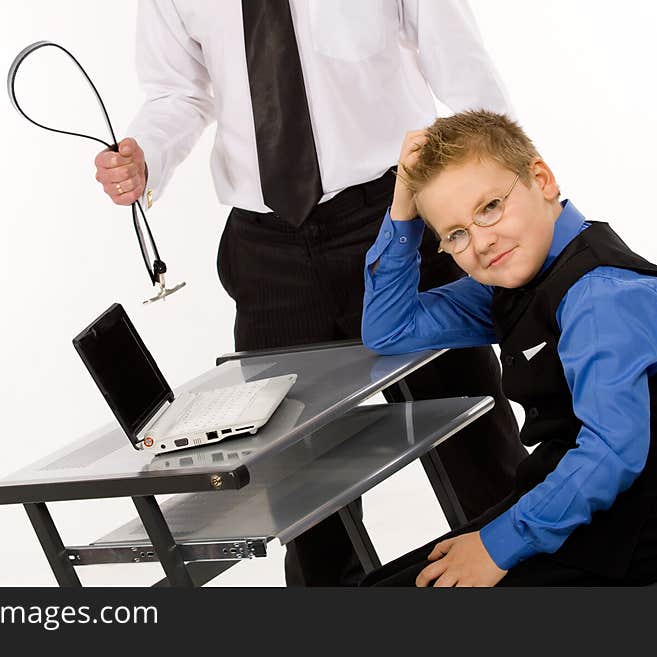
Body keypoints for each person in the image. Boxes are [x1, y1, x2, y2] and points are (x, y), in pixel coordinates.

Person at [93, 0, 527, 586]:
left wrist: (513, 187)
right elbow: (177, 93)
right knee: (301, 489)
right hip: (269, 251)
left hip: (393, 215)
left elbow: (456, 56)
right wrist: (147, 152)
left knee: (475, 440)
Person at [359, 110, 657, 586]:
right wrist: (403, 203)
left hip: (640, 532)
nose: (482, 242)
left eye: (490, 207)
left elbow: (612, 454)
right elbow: (391, 328)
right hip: (570, 501)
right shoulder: (513, 281)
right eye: (456, 234)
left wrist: (497, 545)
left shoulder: (602, 296)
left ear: (542, 180)